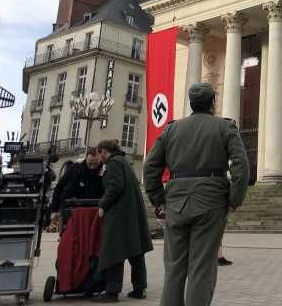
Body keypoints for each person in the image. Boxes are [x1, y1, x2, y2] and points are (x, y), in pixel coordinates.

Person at [144, 82, 250, 306]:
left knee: (173, 269)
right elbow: (241, 166)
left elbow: (150, 166)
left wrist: (158, 199)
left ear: (192, 104)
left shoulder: (171, 129)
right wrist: (234, 199)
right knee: (201, 269)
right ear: (213, 103)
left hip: (176, 203)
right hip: (211, 202)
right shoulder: (225, 127)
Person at [94, 140, 153, 302]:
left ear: (104, 151)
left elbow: (115, 186)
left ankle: (112, 292)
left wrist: (103, 205)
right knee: (135, 251)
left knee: (115, 251)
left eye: (99, 154)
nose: (100, 158)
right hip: (132, 214)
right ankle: (140, 289)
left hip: (120, 215)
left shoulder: (113, 163)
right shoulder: (124, 162)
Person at [49, 147, 105, 231]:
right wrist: (54, 210)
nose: (92, 167)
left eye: (96, 163)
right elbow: (59, 187)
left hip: (95, 213)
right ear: (86, 158)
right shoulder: (74, 169)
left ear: (100, 160)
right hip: (71, 211)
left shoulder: (105, 171)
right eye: (90, 163)